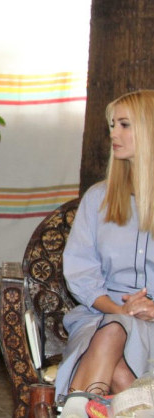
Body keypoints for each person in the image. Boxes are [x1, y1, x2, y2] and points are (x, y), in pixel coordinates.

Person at [55, 90, 154, 403]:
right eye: (112, 125)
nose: (113, 133)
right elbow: (81, 272)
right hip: (98, 316)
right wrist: (120, 310)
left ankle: (77, 405)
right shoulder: (98, 198)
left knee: (115, 353)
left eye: (124, 124)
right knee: (112, 330)